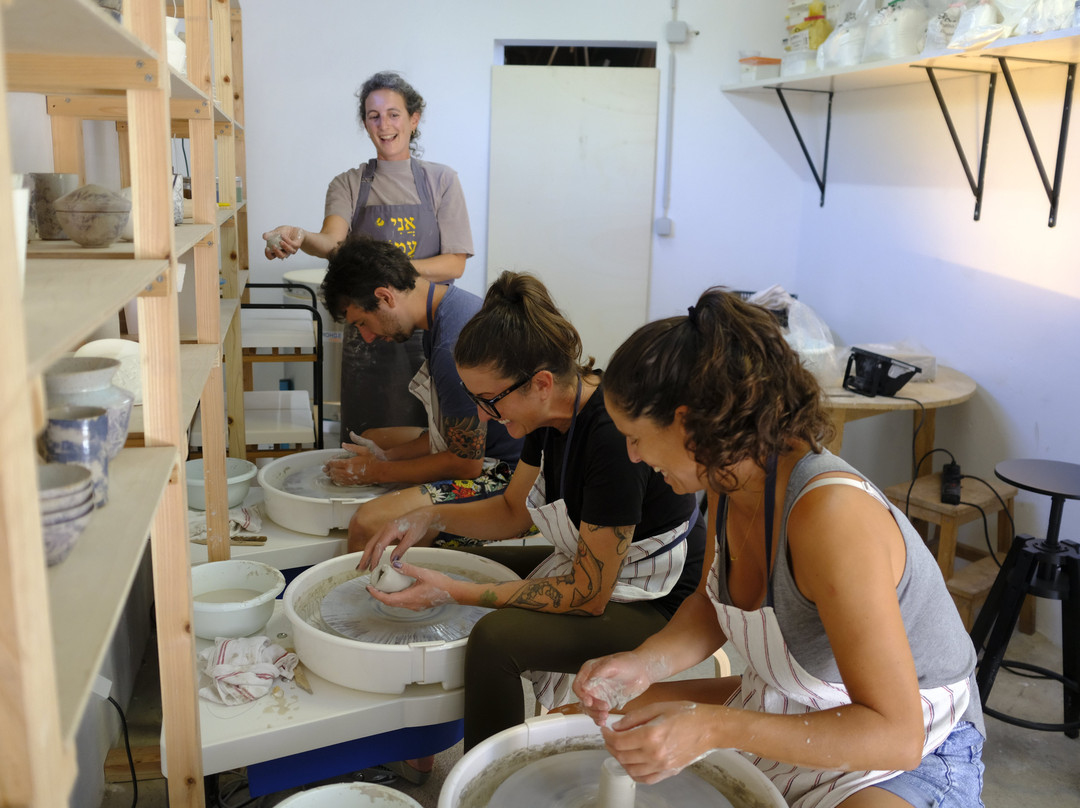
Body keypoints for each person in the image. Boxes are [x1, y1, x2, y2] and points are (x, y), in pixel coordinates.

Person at [571, 289, 986, 808]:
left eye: (635, 437)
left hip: (915, 746)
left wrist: (714, 727)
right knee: (580, 726)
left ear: (688, 425)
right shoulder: (729, 476)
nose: (631, 456)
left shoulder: (829, 517)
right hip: (792, 704)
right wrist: (644, 664)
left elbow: (895, 736)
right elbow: (710, 606)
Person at [359, 271, 707, 755]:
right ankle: (415, 740)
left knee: (495, 638)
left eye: (488, 401)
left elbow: (587, 594)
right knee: (450, 559)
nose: (481, 416)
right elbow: (510, 511)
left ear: (541, 383)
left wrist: (460, 593)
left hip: (656, 597)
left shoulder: (610, 439)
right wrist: (431, 518)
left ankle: (492, 778)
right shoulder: (547, 416)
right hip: (599, 563)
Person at [263, 70, 473, 437]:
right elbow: (333, 244)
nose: (385, 124)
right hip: (369, 336)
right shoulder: (349, 183)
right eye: (374, 116)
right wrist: (300, 235)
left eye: (394, 114)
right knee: (369, 441)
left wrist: (389, 270)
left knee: (435, 437)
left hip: (429, 332)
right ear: (365, 123)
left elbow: (454, 263)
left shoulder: (442, 181)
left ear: (413, 119)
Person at [318, 234, 522, 554]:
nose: (367, 337)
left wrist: (376, 471)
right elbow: (452, 431)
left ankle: (372, 598)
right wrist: (384, 457)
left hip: (513, 475)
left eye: (362, 323)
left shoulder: (452, 344)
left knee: (368, 523)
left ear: (385, 297)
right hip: (489, 443)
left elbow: (466, 464)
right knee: (376, 438)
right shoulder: (446, 308)